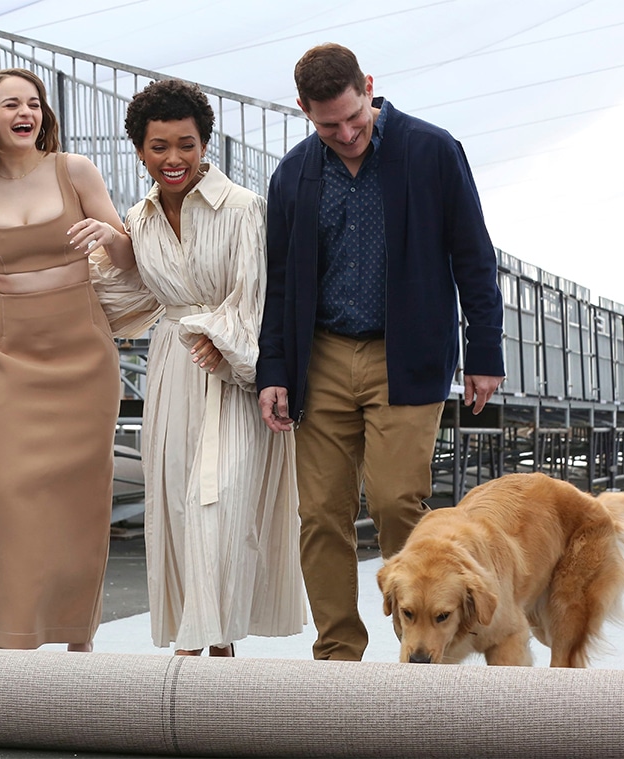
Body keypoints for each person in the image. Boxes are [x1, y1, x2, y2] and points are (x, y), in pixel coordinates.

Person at [257, 43, 505, 661]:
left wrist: (485, 350)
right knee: (319, 514)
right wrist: (275, 370)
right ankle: (339, 652)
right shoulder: (294, 174)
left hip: (409, 354)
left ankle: (419, 648)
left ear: (369, 87)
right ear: (303, 111)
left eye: (354, 118)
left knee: (398, 501)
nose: (345, 134)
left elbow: (474, 254)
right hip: (323, 357)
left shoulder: (432, 151)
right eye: (327, 125)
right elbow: (280, 283)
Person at [89, 79, 306, 656]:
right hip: (172, 369)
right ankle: (204, 644)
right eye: (159, 146)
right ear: (139, 149)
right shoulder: (139, 218)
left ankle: (211, 642)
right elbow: (132, 301)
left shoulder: (243, 208)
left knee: (223, 502)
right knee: (179, 504)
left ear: (204, 143)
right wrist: (111, 251)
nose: (173, 158)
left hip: (233, 374)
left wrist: (222, 340)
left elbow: (255, 295)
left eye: (186, 144)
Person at [0, 67, 133, 651]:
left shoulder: (76, 170)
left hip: (83, 352)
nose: (27, 113)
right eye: (12, 103)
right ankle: (9, 637)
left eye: (34, 103)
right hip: (12, 354)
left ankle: (75, 634)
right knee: (9, 494)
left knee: (80, 498)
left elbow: (127, 259)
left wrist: (106, 234)